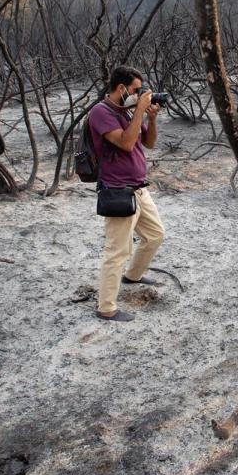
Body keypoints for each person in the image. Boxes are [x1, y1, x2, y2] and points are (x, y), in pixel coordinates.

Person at [89, 66, 165, 322]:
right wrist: (140, 110)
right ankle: (106, 307)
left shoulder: (128, 111)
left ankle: (133, 275)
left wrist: (150, 118)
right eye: (135, 90)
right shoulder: (101, 112)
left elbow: (149, 143)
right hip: (118, 191)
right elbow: (125, 142)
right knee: (117, 251)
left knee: (155, 235)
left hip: (139, 188)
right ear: (121, 88)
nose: (138, 95)